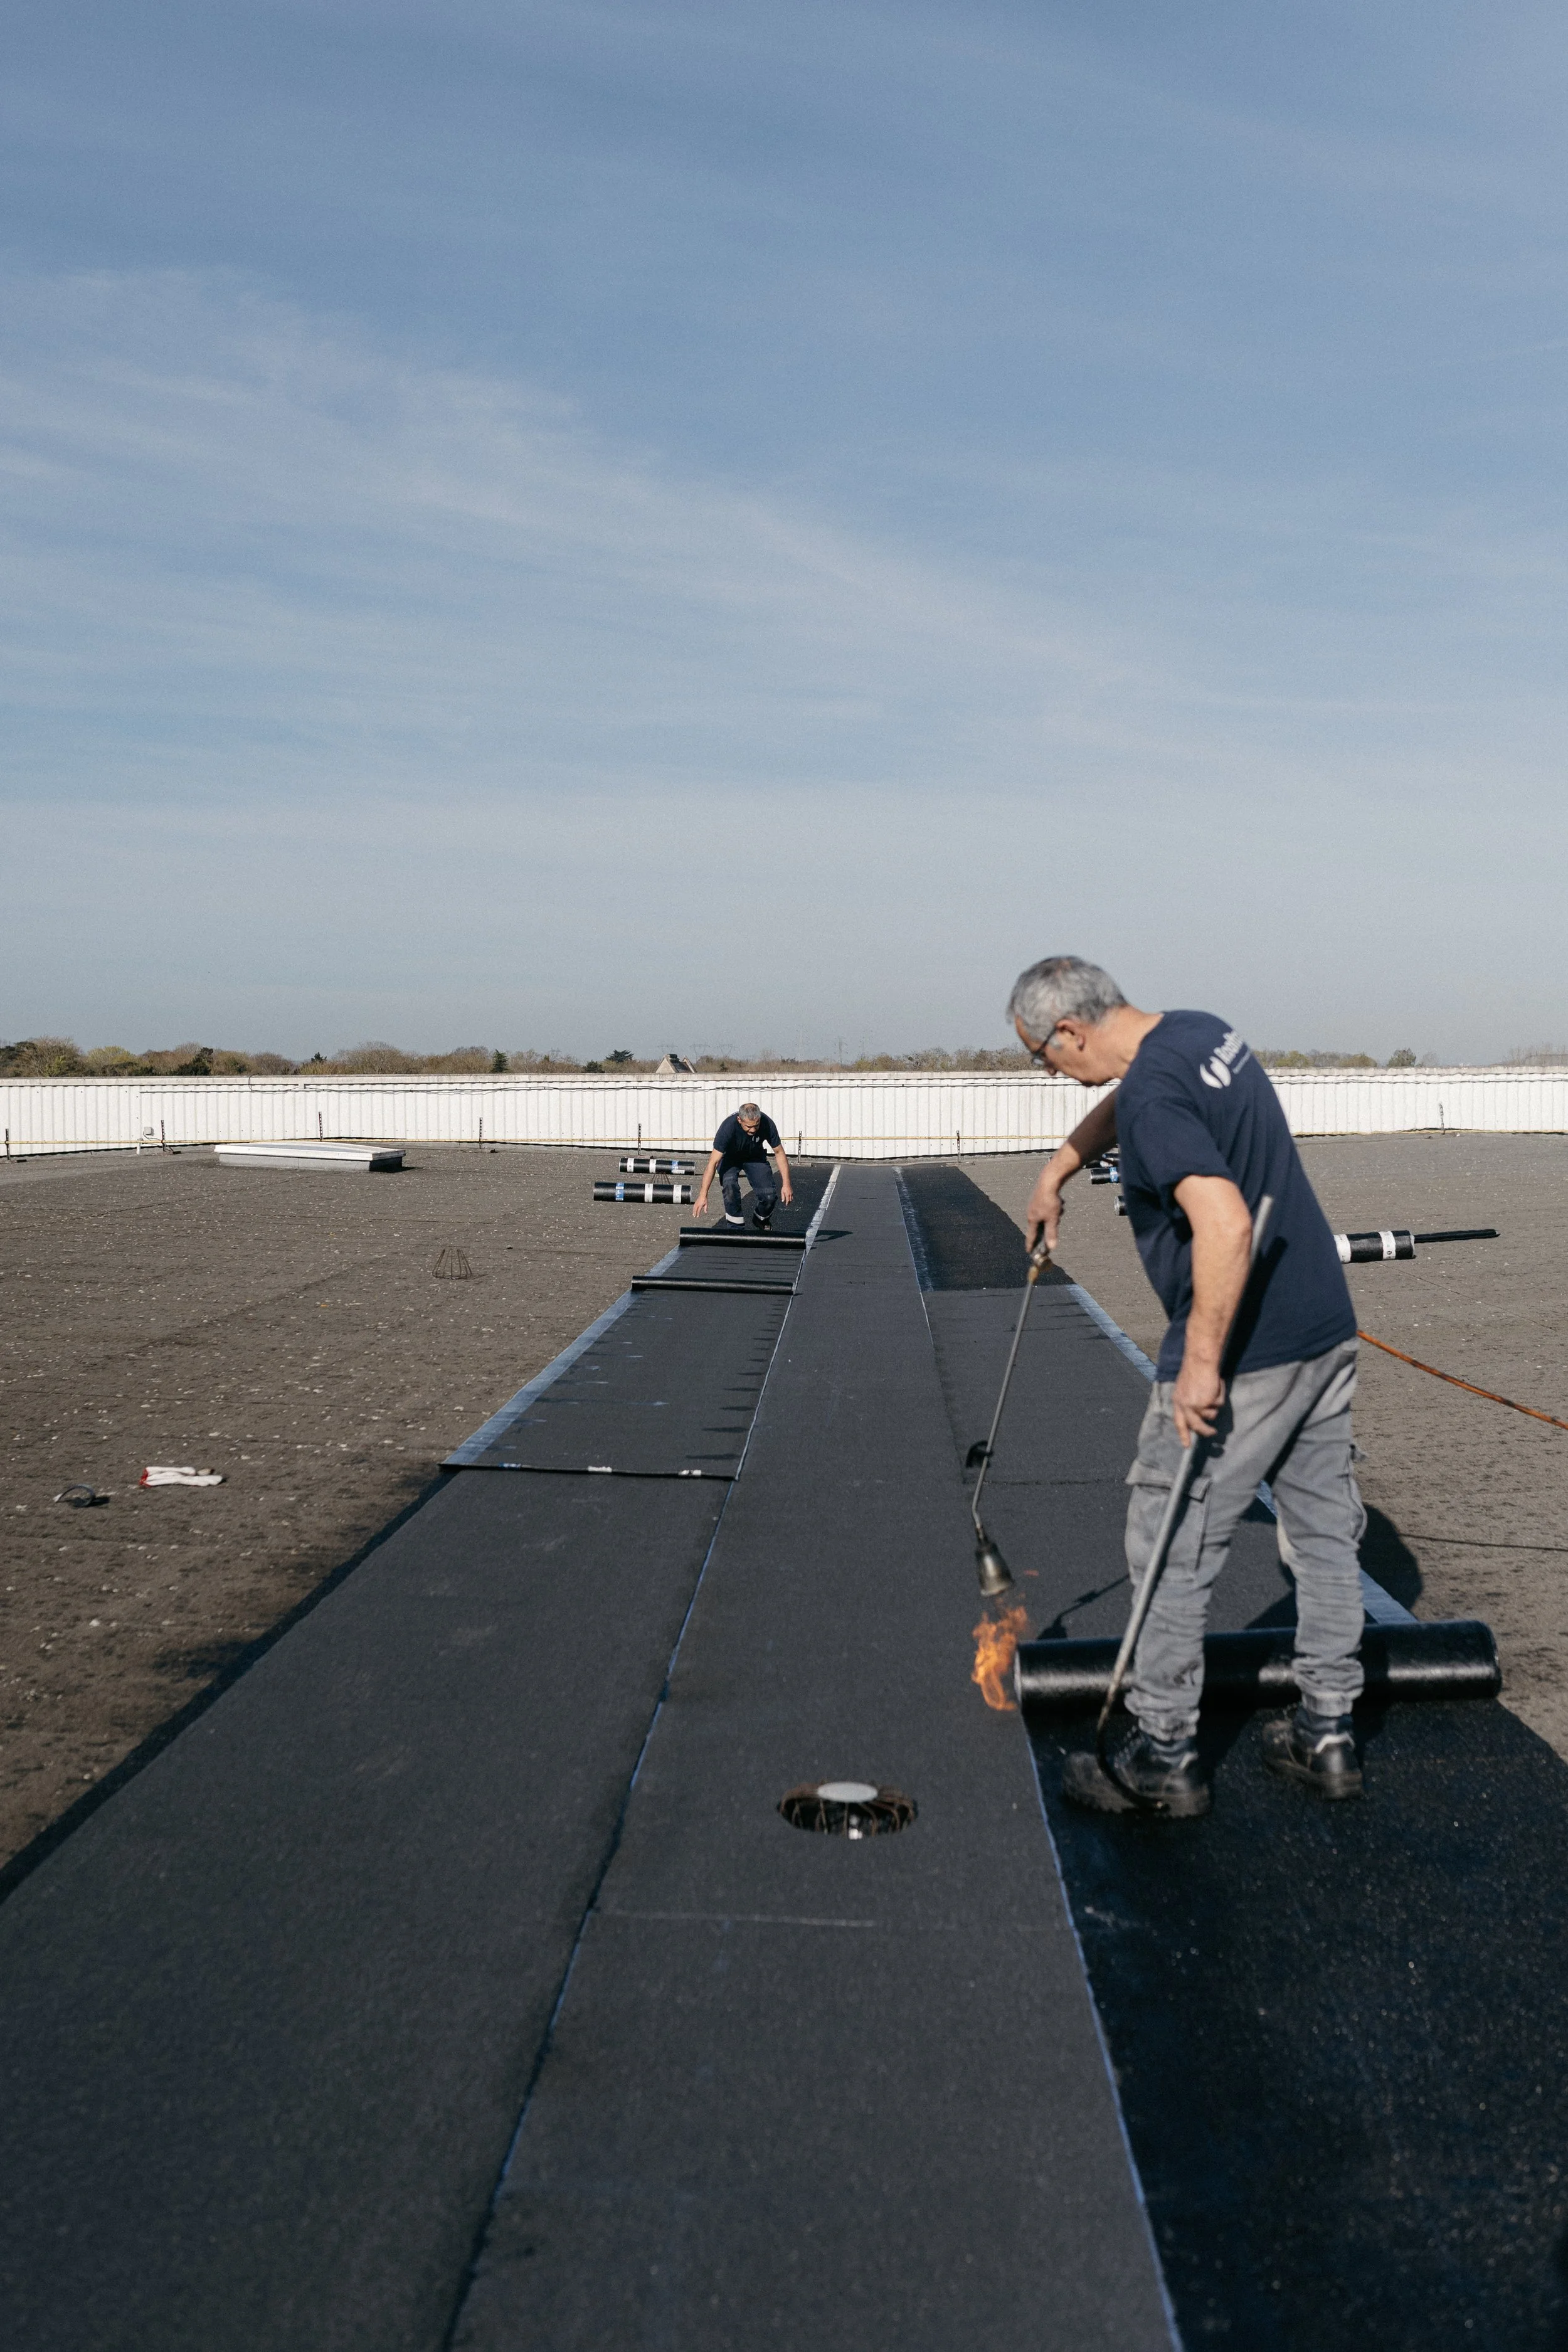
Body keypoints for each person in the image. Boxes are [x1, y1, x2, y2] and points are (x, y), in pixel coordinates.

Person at [1010, 955, 1365, 1818]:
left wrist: (1202, 1363)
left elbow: (1226, 1221)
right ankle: (1327, 1732)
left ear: (1071, 1030)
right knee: (1323, 1535)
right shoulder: (1199, 1031)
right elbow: (1127, 1103)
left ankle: (1164, 1752)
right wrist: (1057, 1170)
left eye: (1043, 1057)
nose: (1051, 1073)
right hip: (1324, 1327)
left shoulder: (1160, 1094)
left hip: (1249, 1349)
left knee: (1167, 1539)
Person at [693, 1101, 795, 1230]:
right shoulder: (728, 1128)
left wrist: (786, 1184)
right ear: (739, 1120)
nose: (753, 1130)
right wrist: (703, 1195)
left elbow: (779, 1152)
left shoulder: (767, 1123)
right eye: (748, 1127)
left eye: (756, 1126)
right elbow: (713, 1163)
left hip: (755, 1157)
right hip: (730, 1158)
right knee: (730, 1186)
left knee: (769, 1197)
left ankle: (760, 1219)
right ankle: (736, 1229)